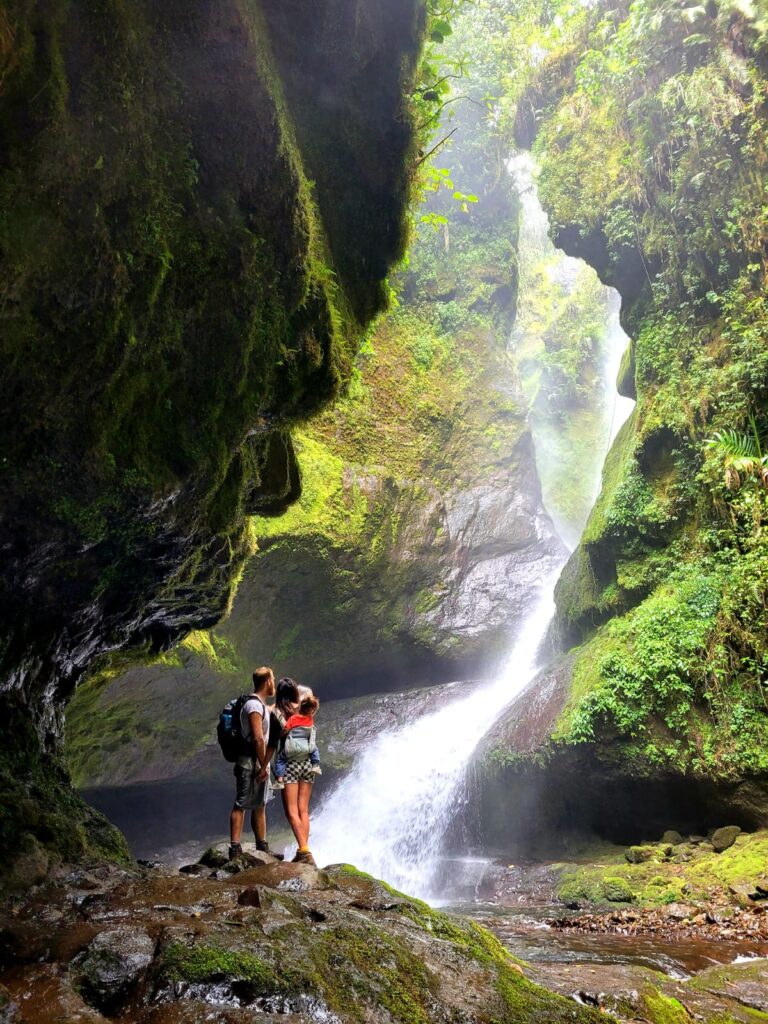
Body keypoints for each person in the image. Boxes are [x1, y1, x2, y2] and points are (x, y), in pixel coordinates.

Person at [229, 666, 283, 861]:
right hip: (250, 762)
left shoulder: (262, 705)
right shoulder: (253, 706)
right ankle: (235, 849)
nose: (274, 683)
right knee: (241, 803)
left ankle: (262, 846)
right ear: (267, 681)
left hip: (258, 762)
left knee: (260, 805)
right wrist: (263, 764)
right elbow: (258, 739)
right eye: (273, 679)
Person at [276, 686, 321, 865]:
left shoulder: (292, 719)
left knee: (291, 811)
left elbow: (282, 734)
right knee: (303, 810)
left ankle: (304, 852)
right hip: (309, 765)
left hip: (292, 765)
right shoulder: (310, 720)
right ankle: (304, 849)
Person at [273, 693, 322, 788]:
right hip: (307, 750)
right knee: (315, 749)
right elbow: (312, 710)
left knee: (280, 759)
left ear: (301, 707)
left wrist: (280, 736)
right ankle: (315, 765)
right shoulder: (310, 719)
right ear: (312, 711)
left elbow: (286, 730)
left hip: (291, 750)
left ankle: (279, 779)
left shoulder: (293, 718)